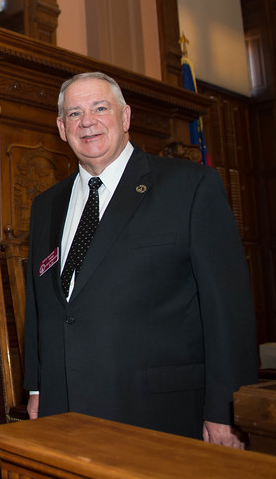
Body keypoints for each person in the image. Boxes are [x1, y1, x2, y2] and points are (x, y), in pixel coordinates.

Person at [23, 71, 257, 447]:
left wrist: (226, 410)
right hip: (63, 410)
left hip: (158, 412)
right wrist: (37, 386)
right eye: (74, 113)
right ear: (61, 128)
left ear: (125, 116)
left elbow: (228, 310)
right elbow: (40, 306)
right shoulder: (46, 205)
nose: (87, 122)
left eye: (100, 108)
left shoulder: (191, 187)